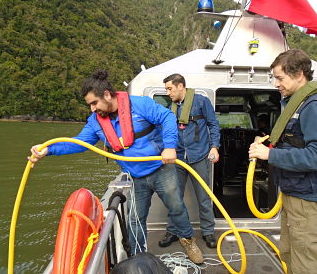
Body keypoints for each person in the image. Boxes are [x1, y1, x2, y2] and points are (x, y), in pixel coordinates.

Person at [28, 70, 204, 264]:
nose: (92, 109)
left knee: (177, 208)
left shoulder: (140, 104)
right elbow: (78, 143)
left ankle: (188, 241)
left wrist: (170, 147)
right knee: (135, 220)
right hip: (135, 177)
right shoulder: (95, 122)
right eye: (90, 105)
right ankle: (139, 257)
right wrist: (48, 149)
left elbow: (167, 118)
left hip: (161, 169)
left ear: (106, 95)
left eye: (94, 103)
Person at [248, 49, 317, 274]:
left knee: (307, 263)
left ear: (299, 75)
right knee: (289, 254)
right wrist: (267, 147)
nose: (275, 84)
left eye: (279, 78)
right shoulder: (295, 104)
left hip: (307, 199)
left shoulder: (313, 107)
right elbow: (294, 144)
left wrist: (270, 155)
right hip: (294, 194)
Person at [160, 73, 220, 249]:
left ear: (180, 86)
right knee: (174, 197)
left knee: (204, 197)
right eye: (166, 90)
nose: (168, 93)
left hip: (199, 156)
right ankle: (172, 230)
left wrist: (214, 146)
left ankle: (208, 232)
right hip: (177, 159)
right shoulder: (168, 107)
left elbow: (213, 124)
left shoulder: (201, 102)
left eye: (170, 89)